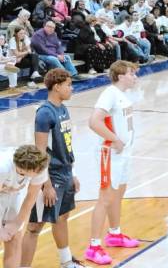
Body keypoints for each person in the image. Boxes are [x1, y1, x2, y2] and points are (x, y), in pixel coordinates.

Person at [20, 69, 84, 268]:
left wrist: (72, 174)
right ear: (57, 87)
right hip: (50, 176)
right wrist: (45, 184)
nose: (71, 88)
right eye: (68, 85)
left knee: (62, 217)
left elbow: (67, 144)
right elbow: (39, 152)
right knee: (34, 227)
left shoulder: (63, 109)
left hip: (65, 173)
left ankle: (66, 262)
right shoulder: (45, 113)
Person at [84, 61, 140, 265]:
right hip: (110, 154)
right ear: (120, 76)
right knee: (105, 199)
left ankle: (114, 234)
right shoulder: (109, 93)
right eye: (131, 73)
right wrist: (114, 139)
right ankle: (93, 246)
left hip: (124, 154)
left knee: (118, 195)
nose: (134, 76)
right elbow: (94, 121)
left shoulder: (123, 95)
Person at [0, 146, 49, 268]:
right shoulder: (3, 168)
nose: (39, 173)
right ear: (24, 169)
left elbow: (31, 197)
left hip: (14, 194)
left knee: (14, 238)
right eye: (36, 172)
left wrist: (16, 224)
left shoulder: (40, 166)